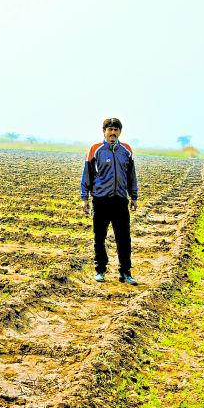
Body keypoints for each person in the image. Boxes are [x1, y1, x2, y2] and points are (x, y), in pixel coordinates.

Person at [80, 117, 139, 285]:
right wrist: (84, 198)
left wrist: (133, 197)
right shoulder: (95, 149)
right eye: (110, 130)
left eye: (116, 130)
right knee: (99, 237)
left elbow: (131, 176)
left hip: (120, 201)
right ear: (104, 131)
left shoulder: (126, 150)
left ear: (120, 132)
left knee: (124, 238)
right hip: (100, 200)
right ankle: (100, 270)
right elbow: (87, 174)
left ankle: (125, 273)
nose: (113, 133)